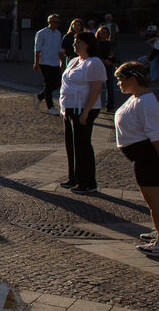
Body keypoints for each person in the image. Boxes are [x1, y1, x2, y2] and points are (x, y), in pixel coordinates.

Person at [114, 61, 159, 258]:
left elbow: (156, 134)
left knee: (155, 202)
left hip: (150, 157)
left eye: (121, 79)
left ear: (133, 79)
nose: (118, 83)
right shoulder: (138, 98)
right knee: (155, 201)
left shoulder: (146, 102)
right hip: (145, 156)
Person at [58, 31, 106, 195]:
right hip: (69, 107)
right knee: (71, 144)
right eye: (75, 41)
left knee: (82, 145)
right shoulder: (74, 61)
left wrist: (86, 111)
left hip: (83, 108)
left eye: (78, 41)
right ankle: (74, 177)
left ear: (87, 44)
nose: (74, 44)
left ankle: (87, 182)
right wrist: (63, 108)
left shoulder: (94, 63)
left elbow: (95, 89)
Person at [33, 14, 63, 115]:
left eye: (58, 22)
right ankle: (50, 106)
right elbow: (37, 49)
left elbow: (59, 49)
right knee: (49, 84)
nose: (56, 24)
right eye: (54, 22)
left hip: (55, 62)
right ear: (49, 22)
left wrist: (62, 61)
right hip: (44, 62)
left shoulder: (58, 33)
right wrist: (36, 63)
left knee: (57, 83)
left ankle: (40, 96)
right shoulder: (41, 33)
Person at [95, 25, 118, 111]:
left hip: (109, 65)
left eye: (106, 33)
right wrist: (104, 61)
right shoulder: (95, 43)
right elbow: (95, 54)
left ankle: (110, 106)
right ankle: (94, 105)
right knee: (96, 86)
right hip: (98, 65)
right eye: (102, 32)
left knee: (110, 87)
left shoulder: (110, 44)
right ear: (98, 33)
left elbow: (113, 55)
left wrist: (113, 61)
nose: (104, 34)